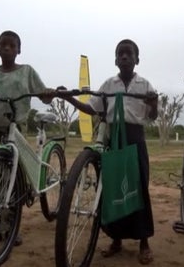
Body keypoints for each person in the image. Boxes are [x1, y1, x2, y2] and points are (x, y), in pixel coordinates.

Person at [60, 39, 158, 265]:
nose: (124, 57)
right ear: (115, 60)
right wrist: (69, 98)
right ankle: (116, 240)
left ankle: (144, 242)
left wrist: (153, 104)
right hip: (113, 140)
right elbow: (92, 108)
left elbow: (152, 116)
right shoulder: (108, 84)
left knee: (139, 187)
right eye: (120, 54)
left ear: (137, 59)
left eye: (129, 53)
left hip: (135, 139)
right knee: (113, 188)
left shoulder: (145, 85)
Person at [0, 30, 55, 246]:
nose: (6, 48)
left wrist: (50, 93)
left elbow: (43, 93)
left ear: (19, 50)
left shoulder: (27, 72)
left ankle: (12, 228)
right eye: (2, 44)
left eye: (12, 45)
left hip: (16, 129)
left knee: (15, 179)